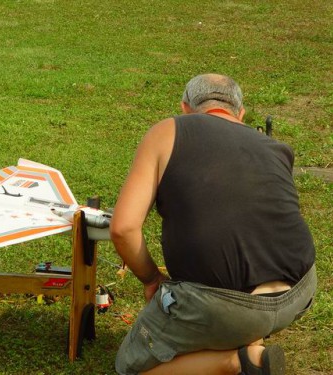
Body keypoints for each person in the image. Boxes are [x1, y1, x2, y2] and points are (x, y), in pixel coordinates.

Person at [110, 74, 316, 375]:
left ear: (184, 108)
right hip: (298, 293)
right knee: (239, 315)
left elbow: (123, 228)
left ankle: (242, 363)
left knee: (129, 368)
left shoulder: (167, 131)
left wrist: (152, 278)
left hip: (224, 304)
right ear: (240, 113)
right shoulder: (276, 147)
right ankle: (247, 335)